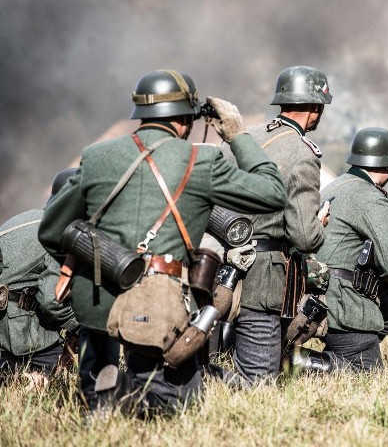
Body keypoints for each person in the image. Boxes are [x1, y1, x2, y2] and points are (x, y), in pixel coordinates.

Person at [38, 69, 287, 417]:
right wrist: (237, 135)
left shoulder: (96, 157)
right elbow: (274, 194)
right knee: (177, 404)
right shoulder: (202, 161)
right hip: (156, 299)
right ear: (186, 118)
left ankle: (103, 401)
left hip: (94, 295)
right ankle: (121, 393)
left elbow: (51, 231)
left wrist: (101, 258)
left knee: (94, 401)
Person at [223, 65, 332, 384]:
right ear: (315, 107)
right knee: (260, 380)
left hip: (219, 263)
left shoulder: (247, 138)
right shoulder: (302, 154)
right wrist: (320, 222)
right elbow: (306, 237)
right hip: (263, 275)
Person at [299, 127, 388, 373]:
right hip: (345, 304)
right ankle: (294, 363)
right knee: (365, 373)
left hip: (315, 293)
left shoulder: (334, 187)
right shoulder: (371, 198)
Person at [0, 168, 80, 388]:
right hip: (15, 332)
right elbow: (52, 301)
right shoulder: (57, 235)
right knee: (58, 377)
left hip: (8, 320)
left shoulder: (29, 218)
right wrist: (79, 326)